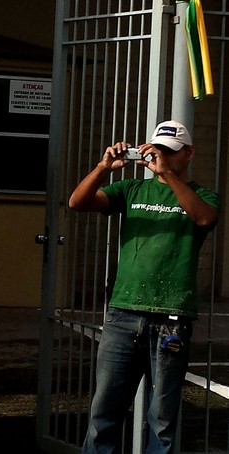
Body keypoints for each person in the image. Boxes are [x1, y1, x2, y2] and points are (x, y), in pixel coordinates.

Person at [69, 120, 219, 453]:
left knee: (162, 418)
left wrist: (167, 175)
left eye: (170, 152)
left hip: (171, 319)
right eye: (157, 150)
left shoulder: (203, 196)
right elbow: (77, 202)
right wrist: (103, 168)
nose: (161, 157)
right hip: (123, 314)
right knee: (103, 411)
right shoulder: (133, 190)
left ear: (189, 153)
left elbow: (206, 219)